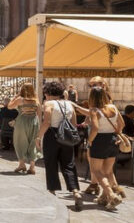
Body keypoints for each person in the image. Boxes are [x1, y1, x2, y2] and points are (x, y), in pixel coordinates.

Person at [37, 80, 82, 210]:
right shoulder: (69, 104)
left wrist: (38, 137)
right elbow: (73, 123)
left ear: (47, 92)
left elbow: (47, 122)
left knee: (51, 163)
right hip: (66, 136)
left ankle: (52, 191)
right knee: (69, 164)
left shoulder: (48, 103)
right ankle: (75, 191)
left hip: (52, 135)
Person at [86, 87, 125, 211]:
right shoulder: (113, 107)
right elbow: (122, 124)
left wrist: (90, 140)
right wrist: (116, 133)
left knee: (96, 170)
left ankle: (111, 195)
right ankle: (104, 197)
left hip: (99, 140)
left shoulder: (94, 110)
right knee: (107, 171)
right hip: (112, 140)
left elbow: (95, 128)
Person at [7, 82, 40, 175]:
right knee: (33, 142)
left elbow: (9, 106)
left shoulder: (20, 99)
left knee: (19, 142)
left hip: (22, 122)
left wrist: (14, 97)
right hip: (34, 122)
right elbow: (39, 113)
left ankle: (22, 164)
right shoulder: (36, 99)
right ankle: (32, 167)